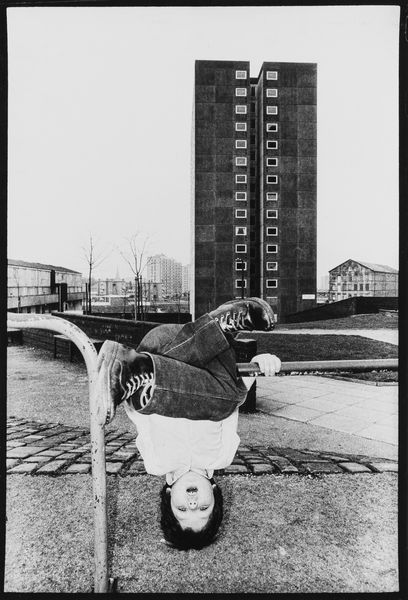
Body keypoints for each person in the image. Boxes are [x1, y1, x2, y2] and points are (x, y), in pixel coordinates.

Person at [96, 297, 281, 550]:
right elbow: (231, 405)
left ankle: (139, 376)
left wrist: (130, 395)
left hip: (159, 351)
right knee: (228, 399)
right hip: (211, 362)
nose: (192, 503)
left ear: (170, 495)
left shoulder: (157, 462)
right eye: (203, 508)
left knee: (221, 397)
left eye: (182, 509)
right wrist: (259, 365)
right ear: (215, 493)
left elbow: (141, 419)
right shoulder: (221, 456)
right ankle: (219, 328)